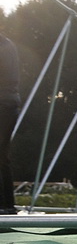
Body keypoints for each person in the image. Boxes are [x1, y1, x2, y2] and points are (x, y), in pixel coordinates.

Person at [0, 32, 20, 215]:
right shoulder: (8, 44)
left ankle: (5, 205)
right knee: (2, 155)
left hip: (3, 103)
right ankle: (7, 205)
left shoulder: (3, 46)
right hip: (9, 102)